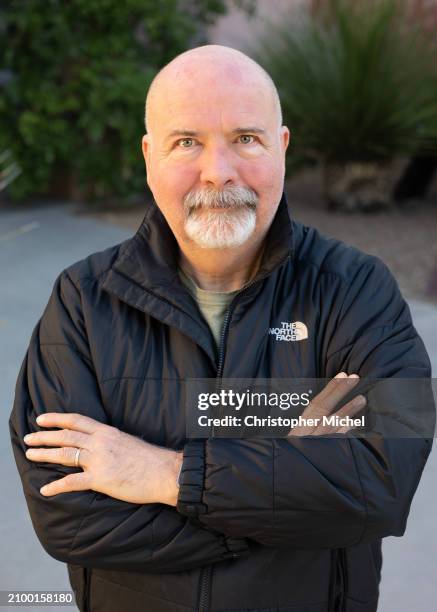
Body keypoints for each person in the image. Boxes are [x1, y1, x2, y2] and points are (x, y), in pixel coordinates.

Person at [9, 45, 433, 612]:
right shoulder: (83, 301)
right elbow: (70, 519)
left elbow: (380, 486)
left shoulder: (356, 290)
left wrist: (163, 474)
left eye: (245, 139)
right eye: (187, 142)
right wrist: (285, 494)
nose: (219, 171)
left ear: (281, 148)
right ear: (148, 155)